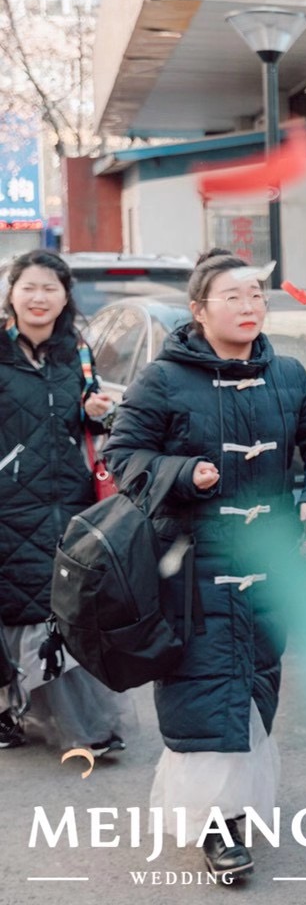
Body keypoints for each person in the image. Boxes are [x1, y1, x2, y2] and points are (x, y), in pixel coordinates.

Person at [103, 249, 306, 879]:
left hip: (269, 562)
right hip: (192, 566)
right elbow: (122, 453)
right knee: (203, 691)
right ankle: (219, 829)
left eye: (256, 296)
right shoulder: (163, 379)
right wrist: (184, 473)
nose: (248, 306)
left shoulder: (288, 374)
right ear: (199, 310)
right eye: (232, 297)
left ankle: (237, 807)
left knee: (255, 684)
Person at [0, 250, 131, 754]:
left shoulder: (76, 351)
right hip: (10, 503)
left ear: (64, 296)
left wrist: (98, 412)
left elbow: (89, 423)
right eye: (29, 287)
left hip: (69, 502)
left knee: (60, 609)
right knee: (16, 611)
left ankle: (87, 726)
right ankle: (11, 710)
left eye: (50, 288)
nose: (39, 297)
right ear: (12, 293)